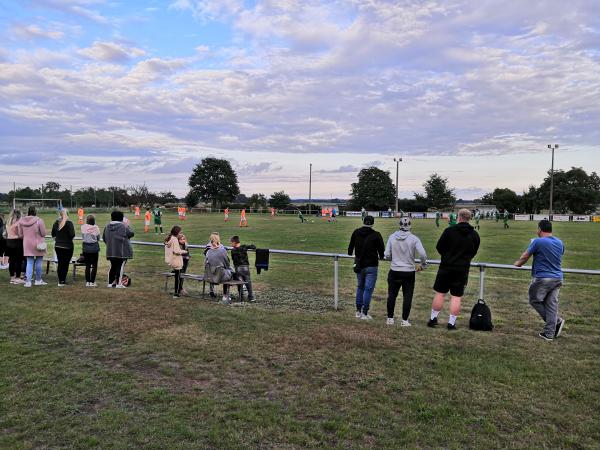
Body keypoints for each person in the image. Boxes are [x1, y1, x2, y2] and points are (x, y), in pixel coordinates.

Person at [428, 209, 480, 330]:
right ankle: (451, 323)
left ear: (459, 217)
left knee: (440, 293)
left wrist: (447, 257)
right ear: (469, 218)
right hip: (462, 269)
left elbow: (439, 247)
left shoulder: (449, 231)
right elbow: (474, 251)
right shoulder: (474, 234)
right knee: (456, 296)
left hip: (446, 267)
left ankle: (433, 319)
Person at [514, 219, 565, 341]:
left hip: (543, 278)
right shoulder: (560, 242)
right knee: (551, 305)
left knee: (534, 300)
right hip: (558, 278)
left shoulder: (538, 241)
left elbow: (526, 256)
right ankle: (549, 334)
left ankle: (555, 322)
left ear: (540, 229)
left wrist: (518, 263)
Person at [384, 218, 427, 326]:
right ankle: (404, 320)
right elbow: (422, 254)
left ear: (399, 225)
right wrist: (423, 265)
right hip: (408, 271)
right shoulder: (414, 238)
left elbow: (387, 254)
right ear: (410, 226)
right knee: (407, 296)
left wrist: (393, 259)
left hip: (394, 270)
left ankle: (390, 319)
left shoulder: (392, 236)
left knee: (392, 295)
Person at [348, 215, 385, 320]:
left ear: (363, 222)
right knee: (368, 290)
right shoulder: (376, 235)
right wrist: (381, 257)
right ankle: (364, 313)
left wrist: (352, 253)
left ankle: (358, 311)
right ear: (373, 223)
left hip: (359, 265)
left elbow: (350, 249)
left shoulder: (356, 232)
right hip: (371, 266)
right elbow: (382, 252)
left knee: (360, 287)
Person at [17, 206, 47, 288]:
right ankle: (38, 280)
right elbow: (44, 233)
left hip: (27, 244)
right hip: (38, 244)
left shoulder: (21, 221)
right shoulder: (39, 221)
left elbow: (20, 235)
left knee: (29, 262)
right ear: (35, 212)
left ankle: (28, 282)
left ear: (28, 212)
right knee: (39, 262)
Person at [103, 210, 134, 288]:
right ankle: (119, 284)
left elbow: (104, 238)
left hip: (110, 251)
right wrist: (127, 225)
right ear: (121, 218)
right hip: (122, 252)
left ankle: (110, 283)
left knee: (113, 266)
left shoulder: (107, 226)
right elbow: (131, 233)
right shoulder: (123, 226)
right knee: (120, 267)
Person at [204, 232, 235, 304]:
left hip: (210, 275)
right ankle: (225, 295)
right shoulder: (222, 250)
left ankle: (213, 291)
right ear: (218, 240)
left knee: (226, 271)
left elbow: (206, 264)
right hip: (220, 276)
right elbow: (227, 264)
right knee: (229, 272)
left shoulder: (208, 252)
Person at [51, 209, 75, 287]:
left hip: (58, 246)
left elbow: (53, 234)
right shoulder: (69, 223)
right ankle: (62, 280)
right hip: (67, 246)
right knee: (65, 264)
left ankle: (60, 280)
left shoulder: (56, 223)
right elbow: (72, 234)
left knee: (60, 263)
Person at [230, 235, 256, 302]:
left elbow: (233, 259)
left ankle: (241, 297)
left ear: (234, 242)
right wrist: (252, 245)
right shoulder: (244, 247)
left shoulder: (233, 250)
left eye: (231, 242)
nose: (231, 244)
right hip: (245, 267)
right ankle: (251, 297)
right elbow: (253, 247)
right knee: (248, 281)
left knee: (240, 282)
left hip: (238, 268)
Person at [164, 225, 188, 298]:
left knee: (177, 276)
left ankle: (176, 292)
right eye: (180, 231)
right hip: (176, 260)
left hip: (171, 259)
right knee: (177, 278)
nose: (180, 233)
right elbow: (176, 251)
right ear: (177, 232)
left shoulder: (170, 238)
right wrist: (184, 251)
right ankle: (176, 294)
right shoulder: (174, 239)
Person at [81, 214, 101, 287]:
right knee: (95, 265)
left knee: (87, 265)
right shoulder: (96, 227)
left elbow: (83, 236)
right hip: (94, 247)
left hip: (86, 247)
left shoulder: (83, 227)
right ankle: (92, 282)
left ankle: (87, 282)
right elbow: (98, 237)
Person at [6, 209, 24, 284]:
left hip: (9, 242)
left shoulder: (8, 222)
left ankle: (12, 277)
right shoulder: (18, 222)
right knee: (18, 261)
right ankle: (17, 277)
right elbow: (20, 235)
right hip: (17, 242)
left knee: (12, 261)